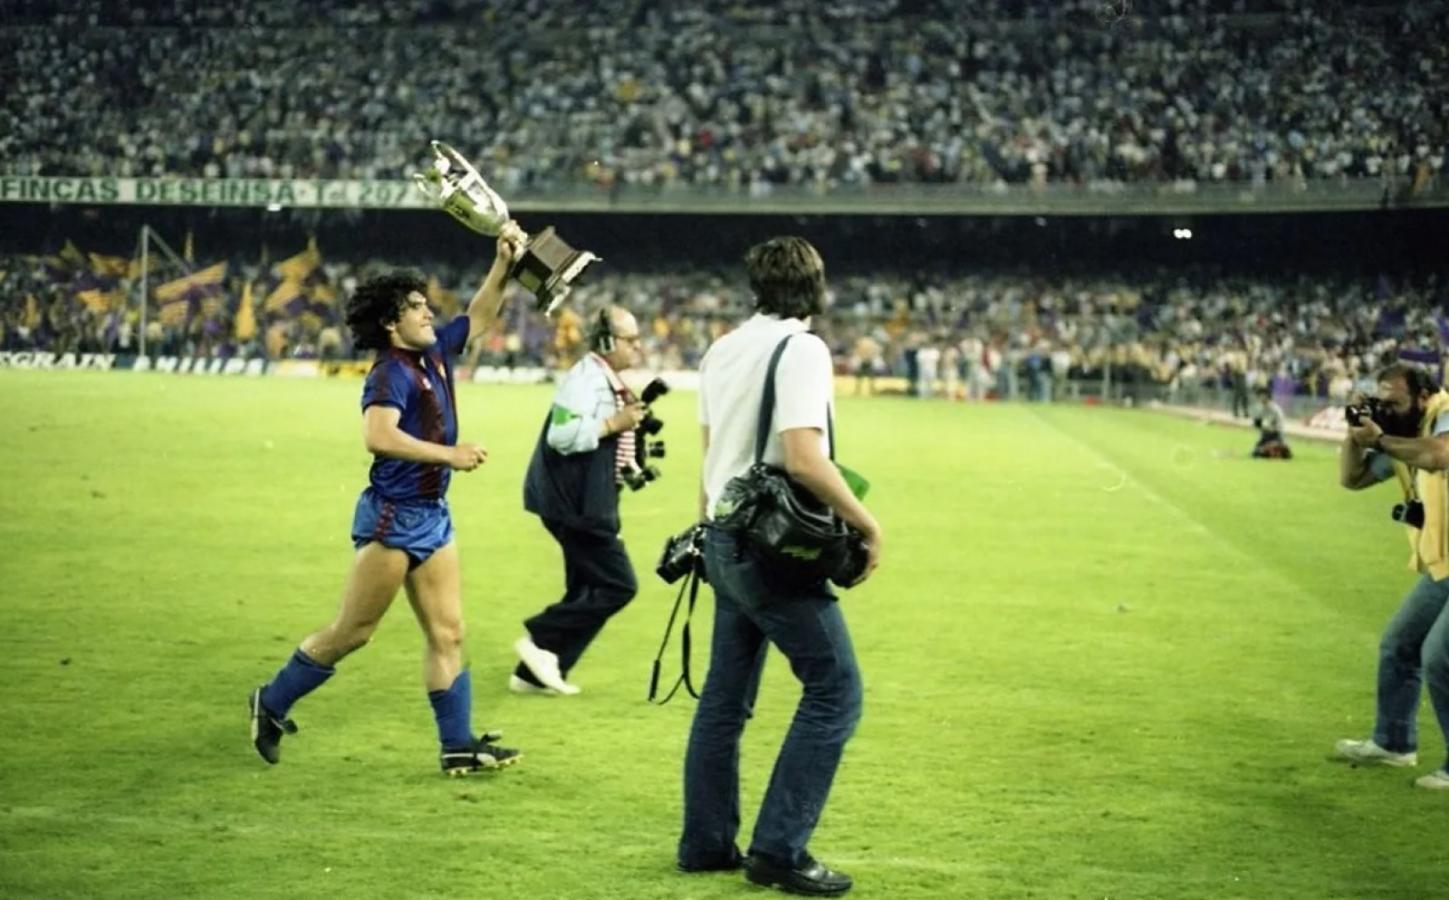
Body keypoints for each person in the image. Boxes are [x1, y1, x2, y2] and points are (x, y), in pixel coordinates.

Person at [247, 221, 527, 776]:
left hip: (432, 517)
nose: (429, 312)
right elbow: (377, 436)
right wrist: (450, 456)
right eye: (416, 307)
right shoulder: (389, 373)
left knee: (449, 632)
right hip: (394, 520)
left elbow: (481, 314)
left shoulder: (435, 354)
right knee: (353, 633)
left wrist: (502, 264)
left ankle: (457, 745)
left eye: (427, 304)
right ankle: (271, 703)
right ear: (390, 322)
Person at [677, 236, 883, 896]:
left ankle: (706, 845)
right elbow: (801, 455)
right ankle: (778, 849)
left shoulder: (723, 348)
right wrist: (865, 521)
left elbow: (711, 461)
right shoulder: (802, 348)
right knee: (835, 691)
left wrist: (711, 536)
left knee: (723, 701)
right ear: (813, 286)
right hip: (770, 551)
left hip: (723, 536)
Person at [512, 305, 647, 696]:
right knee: (619, 585)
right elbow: (562, 435)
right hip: (576, 505)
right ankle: (540, 637)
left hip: (581, 500)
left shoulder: (603, 379)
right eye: (630, 339)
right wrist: (613, 424)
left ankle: (532, 674)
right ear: (606, 341)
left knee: (586, 587)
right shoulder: (587, 379)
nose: (638, 347)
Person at [1335, 363, 1449, 791]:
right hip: (1445, 562)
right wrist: (1355, 432)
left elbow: (1439, 455)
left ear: (1423, 397)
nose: (1387, 409)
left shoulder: (1444, 416)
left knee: (1440, 654)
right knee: (1400, 644)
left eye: (1394, 401)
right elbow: (1353, 477)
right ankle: (1394, 743)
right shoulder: (1405, 432)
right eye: (1380, 400)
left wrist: (1380, 438)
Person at [1250, 386, 1292, 459]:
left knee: (1259, 453)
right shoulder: (1262, 407)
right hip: (1266, 435)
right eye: (1259, 396)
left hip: (1275, 435)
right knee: (1255, 453)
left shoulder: (1273, 408)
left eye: (1262, 396)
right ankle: (1276, 449)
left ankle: (1278, 448)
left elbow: (1266, 424)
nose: (1261, 398)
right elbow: (1258, 423)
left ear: (1267, 396)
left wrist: (1257, 423)